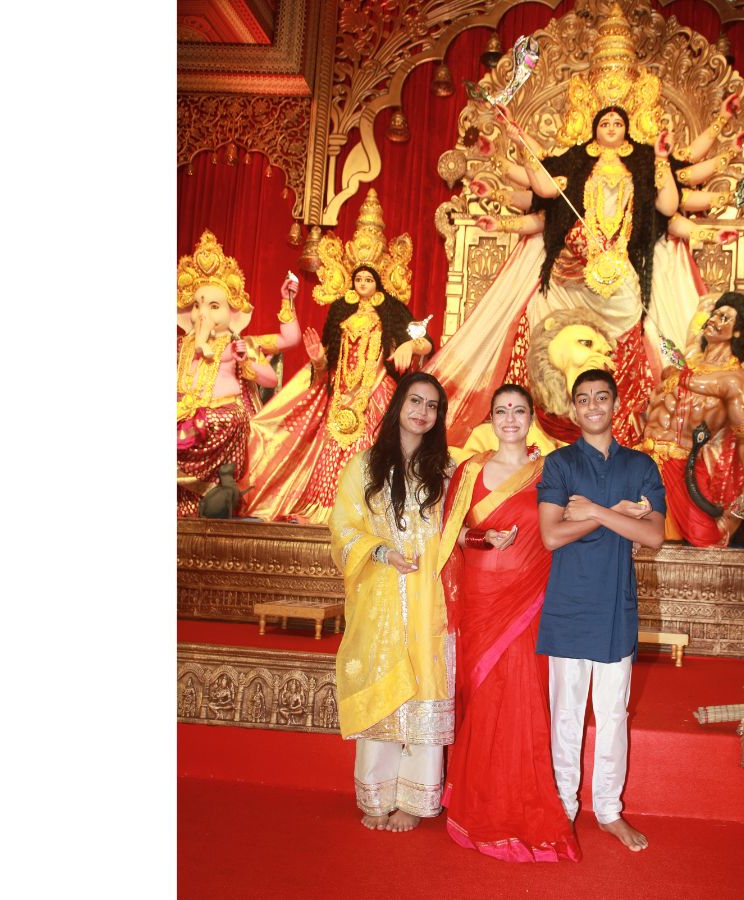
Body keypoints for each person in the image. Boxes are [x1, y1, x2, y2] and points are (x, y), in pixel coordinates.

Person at [423, 7, 725, 448]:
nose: (611, 127)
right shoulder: (574, 162)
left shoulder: (645, 164)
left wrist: (661, 160)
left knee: (635, 333)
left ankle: (618, 430)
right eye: (604, 121)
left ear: (629, 125)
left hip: (620, 272)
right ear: (593, 124)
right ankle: (540, 426)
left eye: (618, 122)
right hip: (570, 272)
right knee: (539, 314)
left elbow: (668, 205)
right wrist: (515, 141)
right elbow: (544, 187)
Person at [440, 385, 581, 863]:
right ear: (492, 418)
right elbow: (451, 534)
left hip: (528, 602)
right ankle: (476, 799)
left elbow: (568, 524)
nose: (510, 419)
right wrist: (484, 538)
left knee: (521, 697)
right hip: (480, 599)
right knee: (482, 698)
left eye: (519, 411)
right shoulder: (470, 470)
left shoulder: (551, 471)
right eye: (501, 411)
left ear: (531, 417)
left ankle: (515, 804)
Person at [536, 369, 666, 852]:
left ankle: (609, 810)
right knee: (565, 715)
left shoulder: (641, 465)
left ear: (615, 404)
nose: (593, 406)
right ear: (574, 408)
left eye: (601, 397)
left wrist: (592, 510)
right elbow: (551, 535)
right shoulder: (559, 463)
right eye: (584, 399)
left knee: (613, 713)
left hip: (615, 606)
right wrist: (621, 515)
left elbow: (653, 535)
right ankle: (564, 806)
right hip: (569, 604)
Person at [327, 372, 464, 832]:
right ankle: (377, 794)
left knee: (426, 686)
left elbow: (464, 521)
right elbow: (343, 528)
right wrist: (381, 551)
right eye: (415, 401)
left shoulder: (447, 470)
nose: (423, 412)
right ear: (398, 405)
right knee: (382, 687)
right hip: (380, 596)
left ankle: (415, 800)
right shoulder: (364, 467)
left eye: (432, 405)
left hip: (429, 600)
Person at [244, 263, 431, 522]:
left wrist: (409, 345)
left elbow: (426, 344)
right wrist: (318, 360)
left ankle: (367, 515)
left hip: (375, 393)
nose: (363, 283)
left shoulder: (388, 313)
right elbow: (326, 368)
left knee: (369, 455)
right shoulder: (343, 315)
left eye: (368, 279)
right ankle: (326, 512)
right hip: (340, 394)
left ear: (378, 285)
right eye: (359, 279)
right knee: (330, 455)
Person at [176, 230, 301, 516]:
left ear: (233, 314)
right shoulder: (180, 346)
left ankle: (220, 492)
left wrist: (287, 302)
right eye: (197, 306)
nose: (203, 314)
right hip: (182, 415)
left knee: (218, 422)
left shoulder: (240, 344)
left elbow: (288, 343)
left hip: (221, 420)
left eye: (214, 306)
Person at [639, 292, 744, 546]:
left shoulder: (733, 380)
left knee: (703, 541)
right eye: (715, 314)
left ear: (738, 332)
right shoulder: (685, 365)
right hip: (641, 459)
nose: (714, 319)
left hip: (679, 469)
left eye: (724, 317)